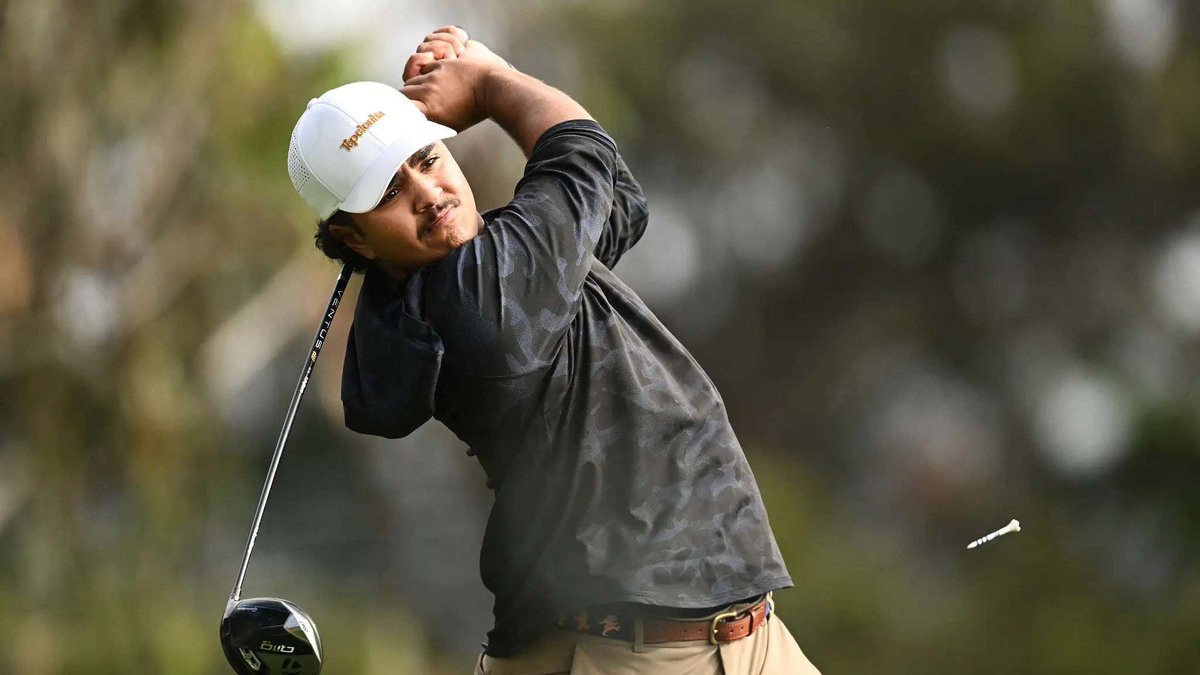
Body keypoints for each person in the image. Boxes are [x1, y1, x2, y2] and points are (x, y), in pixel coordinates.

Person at [286, 25, 821, 675]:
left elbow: (616, 201)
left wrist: (497, 81)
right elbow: (583, 152)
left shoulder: (495, 275)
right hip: (636, 651)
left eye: (426, 160)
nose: (429, 195)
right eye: (389, 194)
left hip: (723, 637)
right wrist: (488, 80)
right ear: (357, 239)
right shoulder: (474, 296)